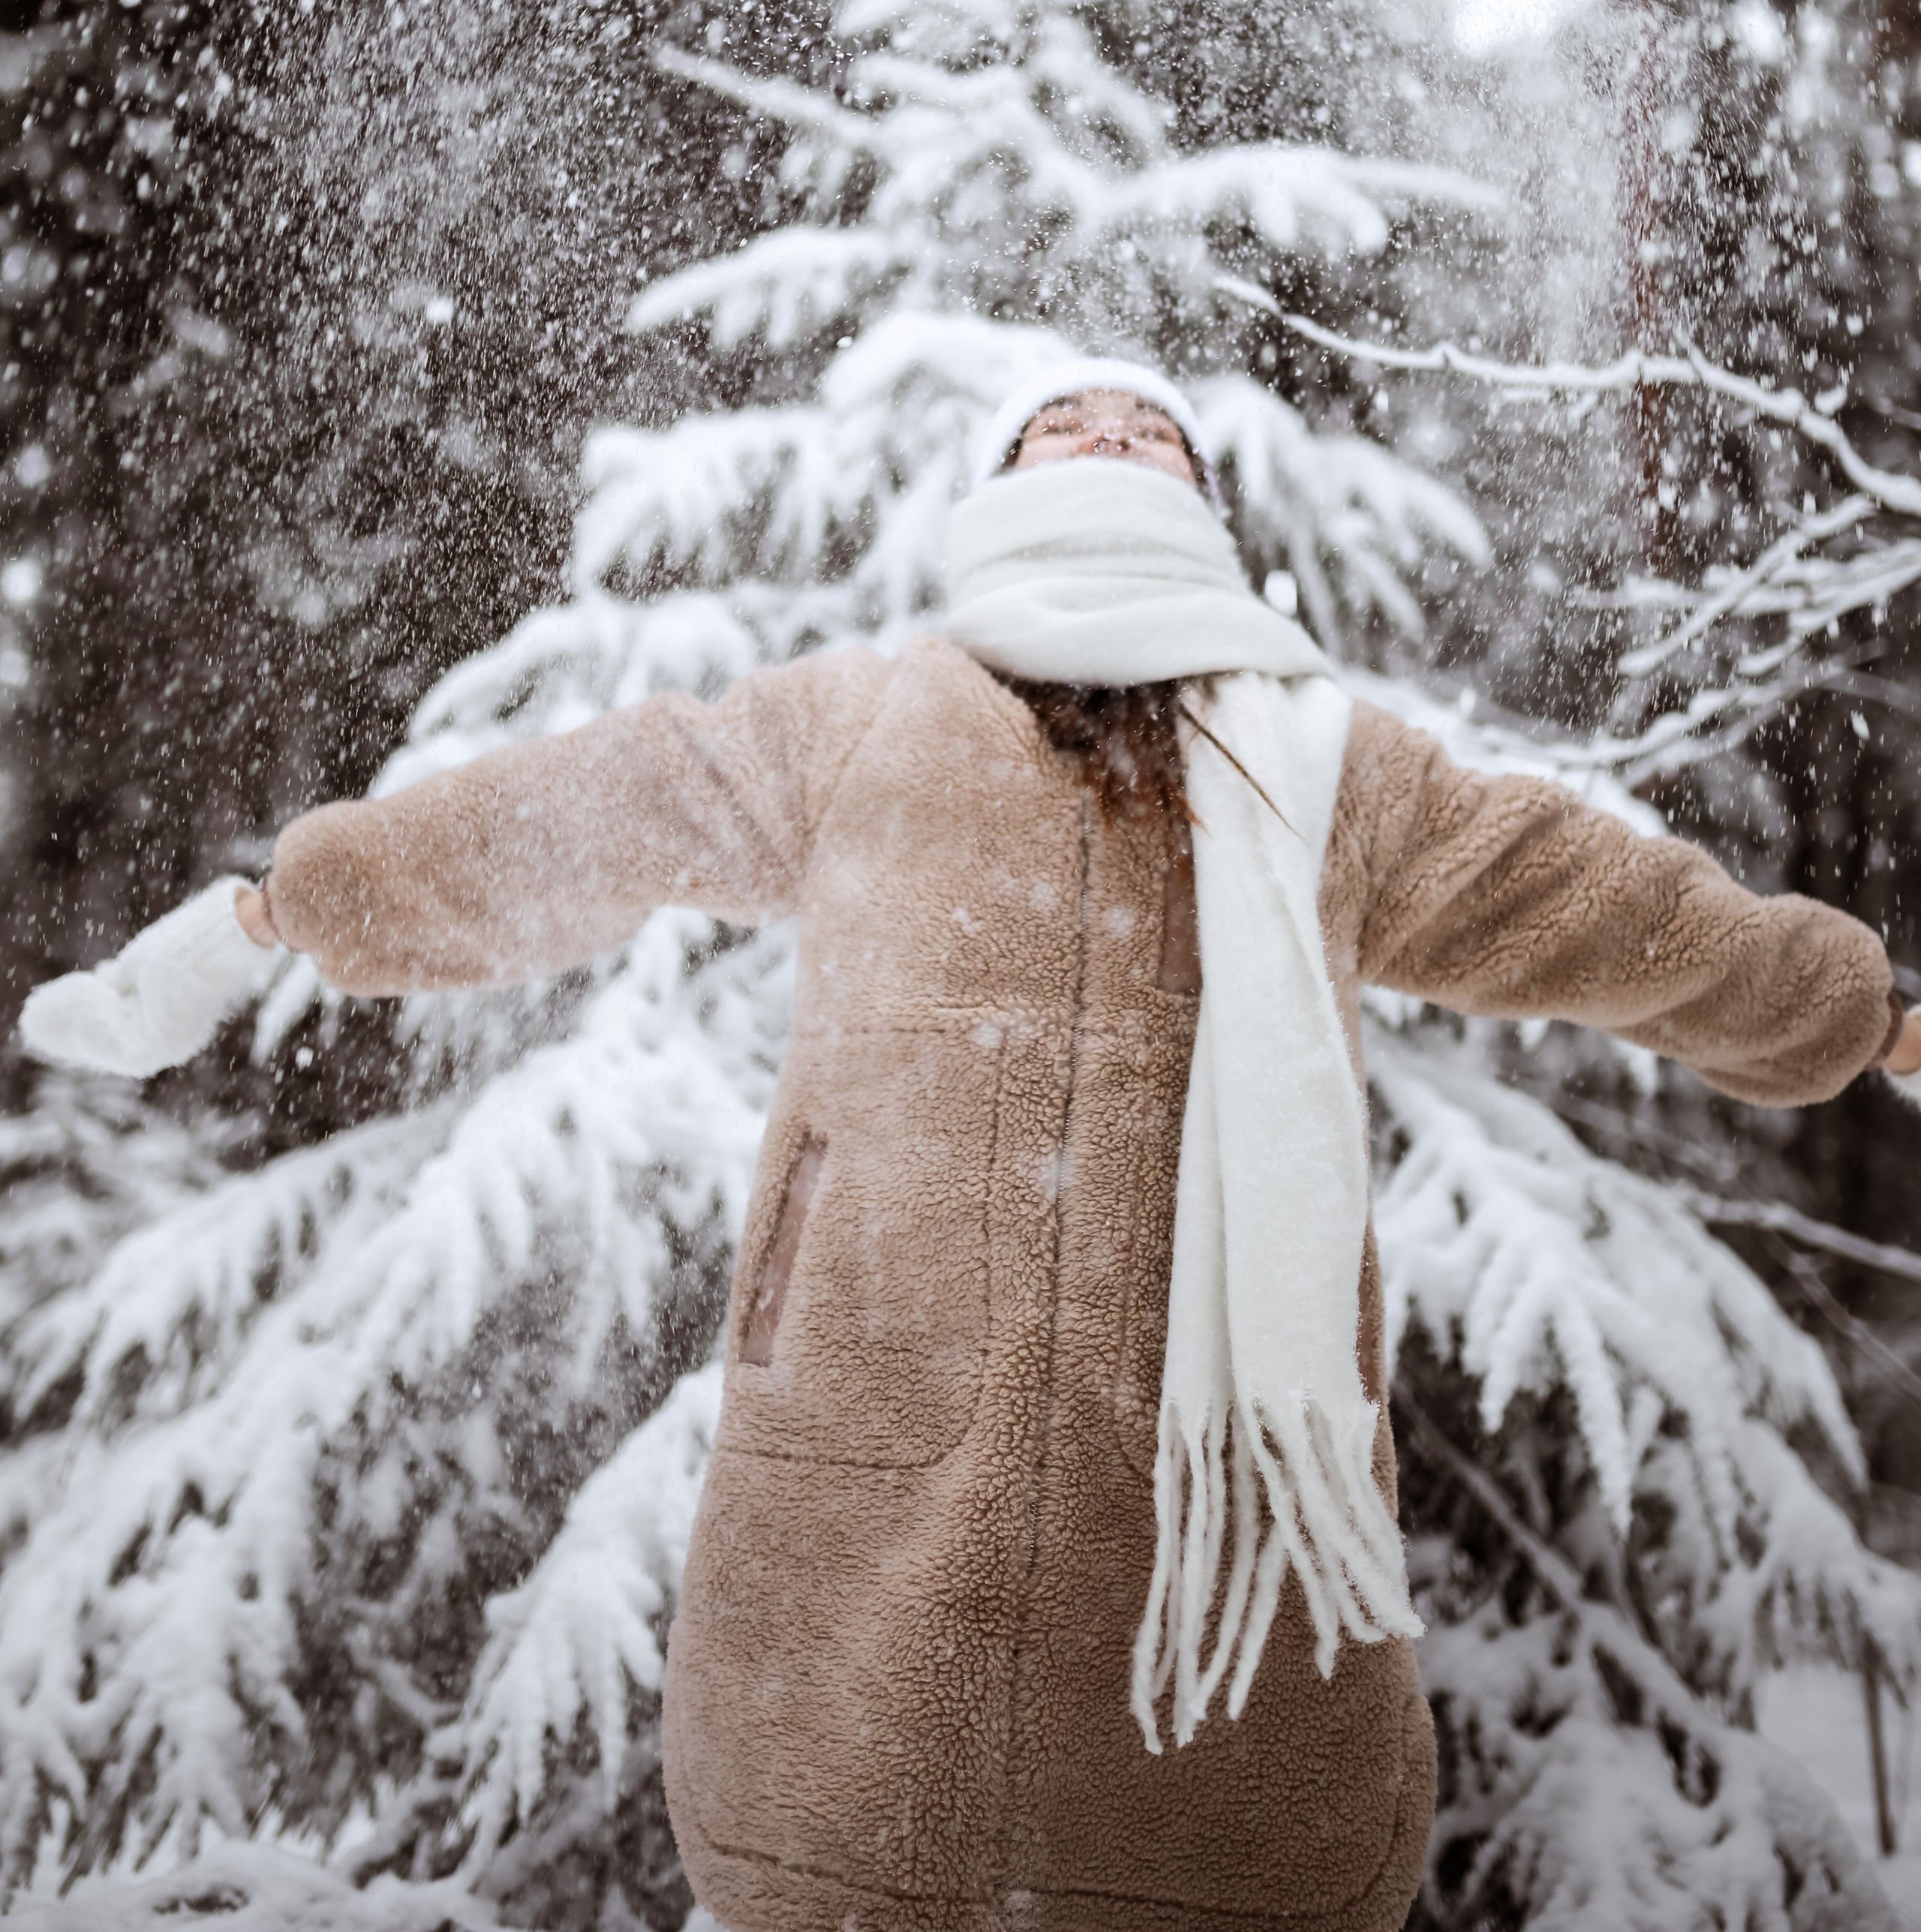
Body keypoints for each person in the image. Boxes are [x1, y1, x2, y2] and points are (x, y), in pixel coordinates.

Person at [114, 365, 1921, 1929]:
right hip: (861, 1534)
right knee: (837, 1856)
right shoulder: (856, 722)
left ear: (1206, 523)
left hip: (1208, 1602)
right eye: (1063, 422)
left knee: (1226, 1862)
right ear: (995, 498)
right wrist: (283, 909)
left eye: (1148, 429)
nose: (1106, 431)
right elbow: (573, 814)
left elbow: (1611, 911)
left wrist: (1866, 1015)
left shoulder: (1328, 774)